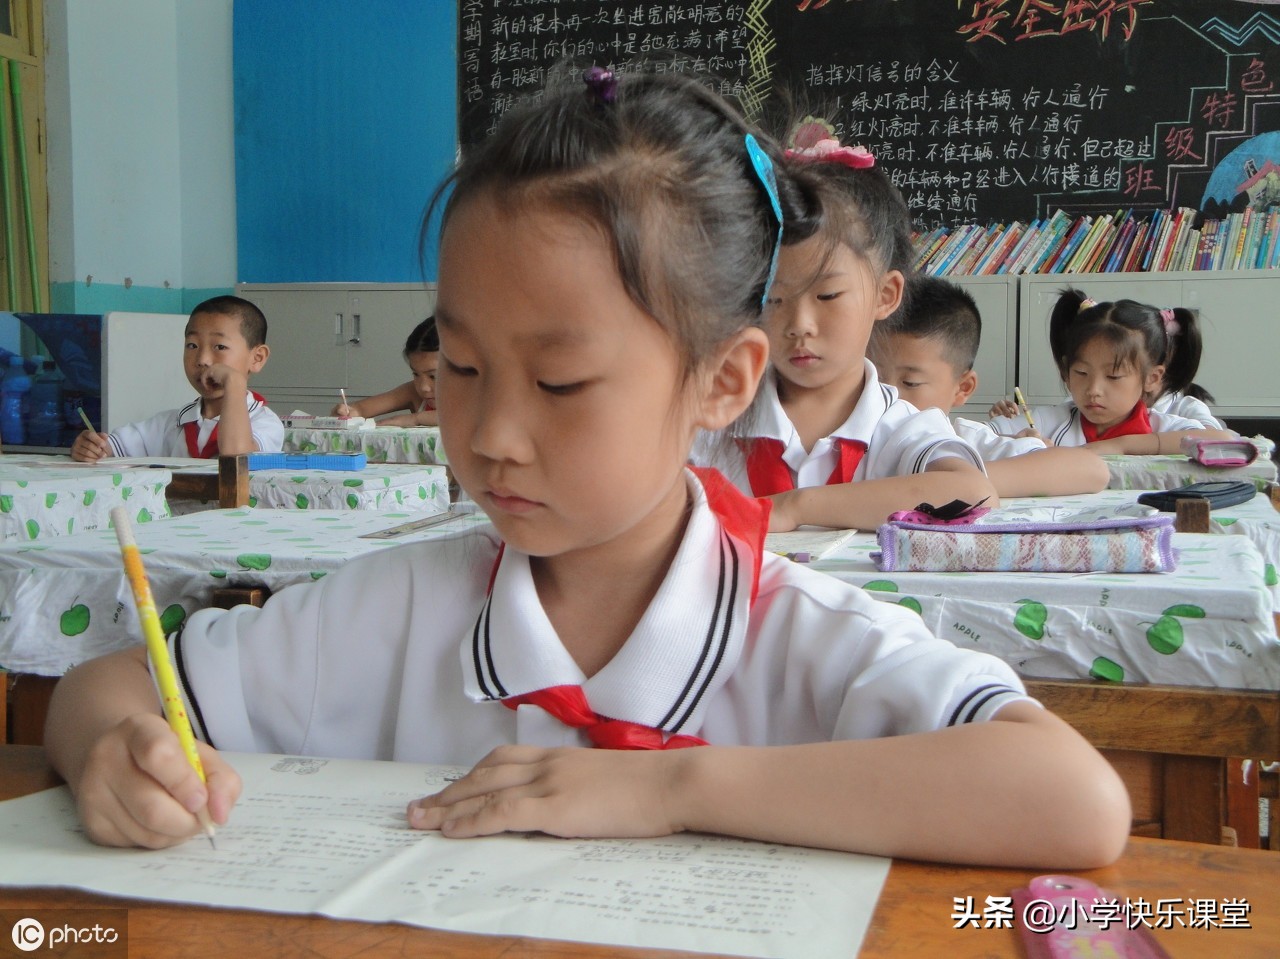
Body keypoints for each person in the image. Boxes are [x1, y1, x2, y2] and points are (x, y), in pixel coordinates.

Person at [45, 68, 1128, 869]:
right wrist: (114, 751)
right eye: (463, 366)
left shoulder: (798, 635)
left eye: (560, 382)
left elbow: (1071, 799)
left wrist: (669, 782)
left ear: (719, 380)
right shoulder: (387, 610)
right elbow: (104, 685)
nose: (494, 433)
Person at [698, 130, 998, 532]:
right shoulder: (716, 411)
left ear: (885, 295)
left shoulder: (900, 427)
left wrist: (795, 508)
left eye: (827, 295)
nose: (800, 326)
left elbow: (972, 495)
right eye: (773, 300)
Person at [871, 275, 1109, 497]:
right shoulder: (846, 433)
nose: (887, 395)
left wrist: (956, 480)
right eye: (872, 376)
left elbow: (1092, 472)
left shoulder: (966, 442)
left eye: (910, 383)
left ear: (963, 388)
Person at [986, 289, 1236, 452]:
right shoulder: (1050, 421)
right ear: (1066, 370)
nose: (1093, 390)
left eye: (1113, 376)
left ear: (1152, 378)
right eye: (1081, 373)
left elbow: (1223, 442)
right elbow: (974, 437)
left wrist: (1119, 446)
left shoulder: (1162, 426)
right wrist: (1018, 444)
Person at [69, 295, 283, 461]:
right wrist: (90, 448)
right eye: (192, 346)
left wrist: (235, 383)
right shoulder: (170, 424)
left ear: (257, 358)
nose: (203, 359)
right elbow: (111, 448)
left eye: (220, 347)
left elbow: (237, 459)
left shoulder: (265, 423)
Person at [331, 316, 440, 427]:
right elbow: (361, 409)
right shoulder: (413, 393)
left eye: (433, 376)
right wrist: (349, 412)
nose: (423, 387)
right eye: (416, 374)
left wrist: (416, 418)